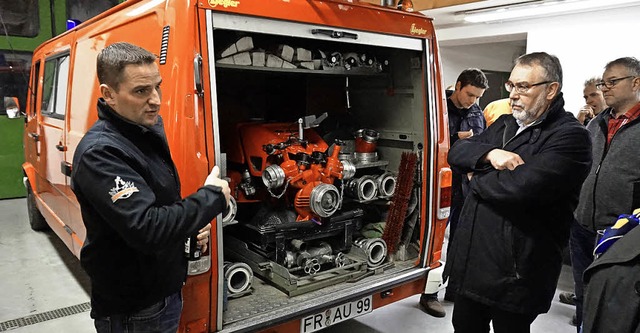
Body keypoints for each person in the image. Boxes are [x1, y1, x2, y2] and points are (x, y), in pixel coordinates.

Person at [70, 42, 231, 333]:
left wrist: (187, 229)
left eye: (157, 87)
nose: (156, 100)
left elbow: (156, 203)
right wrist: (212, 197)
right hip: (135, 309)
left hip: (162, 291)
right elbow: (147, 227)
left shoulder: (142, 130)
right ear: (108, 95)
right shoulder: (100, 153)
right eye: (141, 91)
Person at [443, 52, 592, 332]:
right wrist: (490, 154)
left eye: (523, 87)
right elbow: (457, 152)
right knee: (464, 326)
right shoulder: (505, 125)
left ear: (551, 90)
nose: (513, 94)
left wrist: (474, 177)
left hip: (517, 274)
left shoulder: (570, 137)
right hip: (474, 265)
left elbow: (520, 188)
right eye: (511, 85)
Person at [574, 56, 640, 332]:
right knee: (583, 297)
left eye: (612, 82)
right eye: (603, 83)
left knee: (614, 306)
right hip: (581, 227)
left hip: (621, 234)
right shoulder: (596, 124)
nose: (605, 88)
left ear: (636, 82)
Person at [420, 68, 488, 318]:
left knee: (461, 239)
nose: (472, 101)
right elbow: (427, 141)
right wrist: (453, 138)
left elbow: (483, 141)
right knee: (435, 241)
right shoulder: (438, 109)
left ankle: (454, 289)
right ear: (458, 86)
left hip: (466, 186)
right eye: (469, 94)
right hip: (439, 184)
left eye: (477, 97)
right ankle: (428, 294)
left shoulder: (476, 112)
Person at [558, 76, 608, 325]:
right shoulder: (592, 126)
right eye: (586, 97)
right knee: (581, 273)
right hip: (582, 217)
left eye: (593, 96)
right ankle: (582, 311)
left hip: (614, 225)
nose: (588, 101)